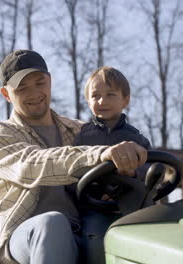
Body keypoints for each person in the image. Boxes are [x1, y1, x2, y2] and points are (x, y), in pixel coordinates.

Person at [0, 50, 147, 264]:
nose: (34, 93)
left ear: (49, 81)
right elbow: (32, 165)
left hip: (84, 229)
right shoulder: (0, 137)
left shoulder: (80, 131)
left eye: (39, 83)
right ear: (6, 94)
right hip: (23, 241)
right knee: (52, 224)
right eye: (22, 88)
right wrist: (99, 154)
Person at [74, 66, 152, 264]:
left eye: (110, 94)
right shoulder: (82, 136)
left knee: (147, 238)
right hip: (95, 207)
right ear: (88, 101)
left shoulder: (136, 139)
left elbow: (149, 169)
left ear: (125, 100)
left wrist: (134, 174)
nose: (102, 101)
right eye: (95, 96)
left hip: (131, 205)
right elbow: (73, 170)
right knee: (95, 237)